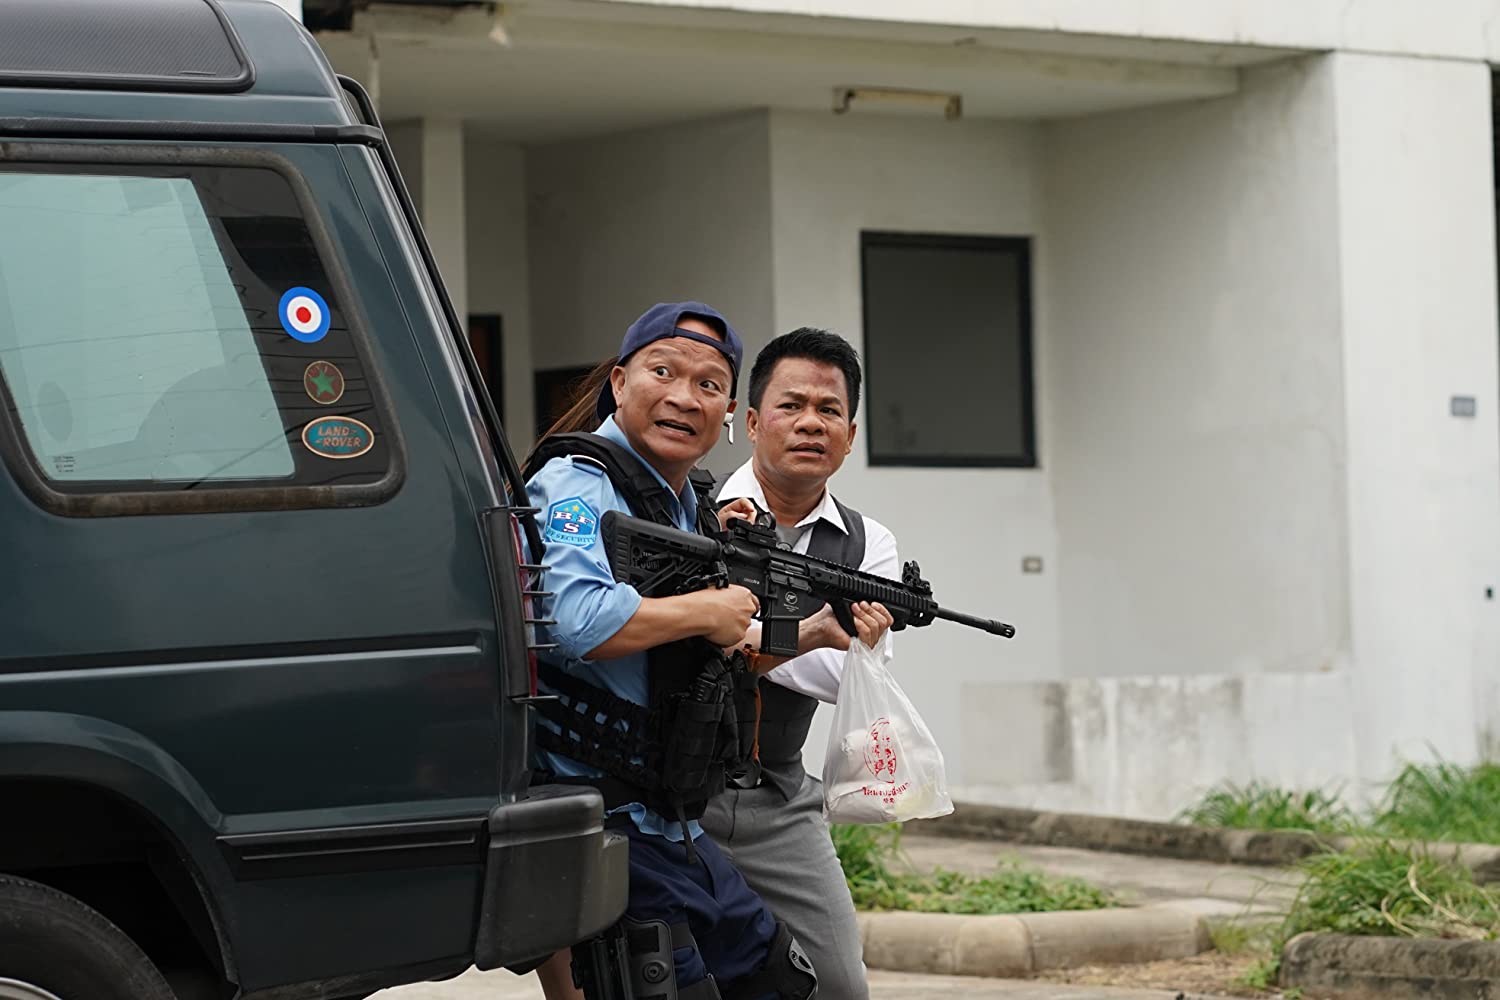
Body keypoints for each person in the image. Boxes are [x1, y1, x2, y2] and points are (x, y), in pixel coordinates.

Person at [524, 304, 890, 1000]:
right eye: (664, 372)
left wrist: (802, 630)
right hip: (603, 817)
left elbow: (717, 655)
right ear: (621, 382)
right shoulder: (578, 482)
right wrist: (712, 607)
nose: (684, 397)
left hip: (672, 820)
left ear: (725, 411)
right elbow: (576, 622)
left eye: (708, 384)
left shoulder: (686, 504)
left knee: (792, 983)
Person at [702, 328, 900, 1000]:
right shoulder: (691, 511)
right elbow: (663, 644)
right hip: (670, 797)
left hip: (781, 799)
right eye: (791, 406)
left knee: (840, 986)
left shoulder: (871, 543)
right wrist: (812, 632)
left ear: (850, 433)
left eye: (830, 409)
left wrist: (741, 637)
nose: (811, 422)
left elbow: (851, 678)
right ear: (753, 421)